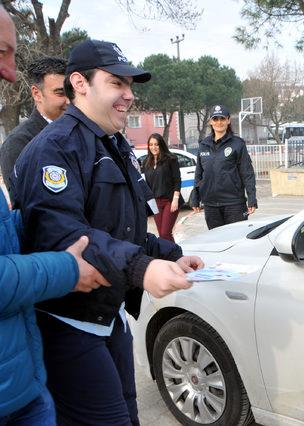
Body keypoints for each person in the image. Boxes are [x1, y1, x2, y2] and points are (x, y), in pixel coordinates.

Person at [12, 39, 204, 425]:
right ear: (80, 83)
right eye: (117, 83)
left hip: (109, 316)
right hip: (68, 324)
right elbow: (65, 235)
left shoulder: (114, 143)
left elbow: (124, 228)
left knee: (129, 417)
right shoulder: (55, 149)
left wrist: (168, 254)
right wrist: (141, 269)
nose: (129, 96)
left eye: (131, 86)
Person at [0, 6, 109, 424]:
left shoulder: (89, 140)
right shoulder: (28, 145)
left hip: (22, 377)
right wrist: (66, 267)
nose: (9, 71)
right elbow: (42, 227)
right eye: (1, 52)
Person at [1, 56, 68, 204]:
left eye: (72, 92)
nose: (69, 100)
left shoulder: (83, 133)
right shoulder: (19, 143)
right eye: (60, 93)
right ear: (37, 94)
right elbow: (25, 206)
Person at [191, 104, 258, 229]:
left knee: (236, 242)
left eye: (222, 118)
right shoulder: (203, 145)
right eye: (215, 119)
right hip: (210, 205)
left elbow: (247, 173)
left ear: (228, 120)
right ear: (211, 121)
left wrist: (252, 198)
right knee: (217, 243)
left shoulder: (238, 144)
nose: (219, 122)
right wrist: (195, 197)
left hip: (234, 204)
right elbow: (199, 174)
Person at [142, 133, 181, 241]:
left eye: (156, 144)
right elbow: (148, 184)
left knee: (165, 233)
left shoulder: (171, 159)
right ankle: (169, 255)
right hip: (155, 203)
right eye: (151, 145)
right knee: (161, 234)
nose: (153, 147)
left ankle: (175, 256)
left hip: (169, 200)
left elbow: (177, 180)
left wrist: (175, 200)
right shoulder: (146, 162)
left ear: (161, 145)